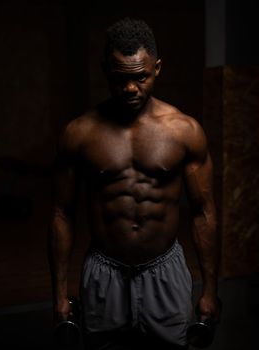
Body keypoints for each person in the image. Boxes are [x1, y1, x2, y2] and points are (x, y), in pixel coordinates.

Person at [48, 17, 221, 350]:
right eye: (120, 78)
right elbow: (61, 213)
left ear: (157, 68)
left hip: (165, 270)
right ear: (104, 71)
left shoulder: (184, 131)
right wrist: (57, 294)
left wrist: (211, 291)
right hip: (104, 270)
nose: (130, 89)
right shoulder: (79, 134)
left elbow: (204, 212)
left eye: (140, 77)